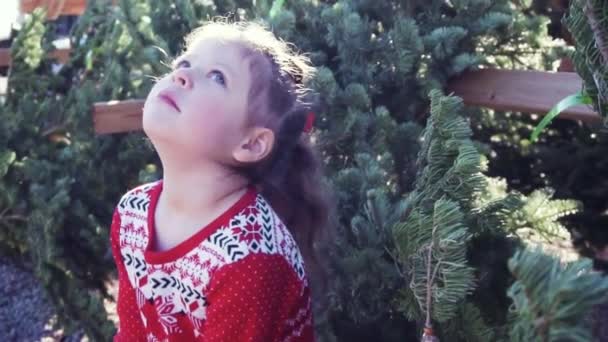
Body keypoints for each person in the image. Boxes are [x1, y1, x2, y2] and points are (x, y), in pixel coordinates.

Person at [109, 20, 333, 342]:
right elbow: (133, 334)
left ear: (251, 143)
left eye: (217, 76)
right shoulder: (132, 214)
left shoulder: (250, 258)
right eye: (184, 63)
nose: (181, 75)